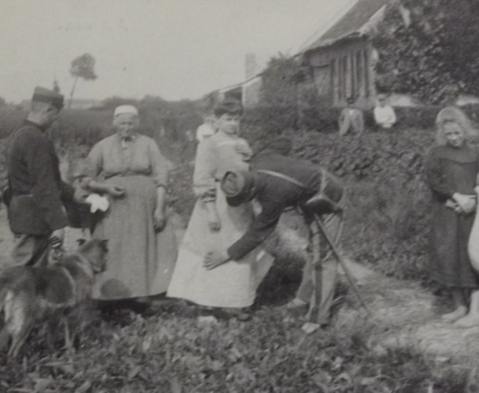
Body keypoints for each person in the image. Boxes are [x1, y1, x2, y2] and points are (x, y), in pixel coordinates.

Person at [204, 138, 344, 334]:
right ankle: (302, 300)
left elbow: (259, 233)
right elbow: (284, 143)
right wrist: (252, 151)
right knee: (313, 251)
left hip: (328, 195)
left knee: (324, 258)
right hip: (309, 194)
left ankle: (318, 317)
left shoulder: (273, 196)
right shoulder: (258, 161)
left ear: (251, 192)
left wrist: (225, 255)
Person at [167, 98, 273, 318]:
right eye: (228, 119)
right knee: (211, 250)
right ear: (216, 120)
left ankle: (234, 302)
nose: (233, 124)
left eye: (236, 119)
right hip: (217, 204)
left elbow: (251, 172)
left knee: (238, 250)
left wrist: (249, 155)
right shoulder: (209, 144)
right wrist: (212, 210)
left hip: (240, 206)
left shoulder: (242, 143)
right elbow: (202, 177)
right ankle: (206, 306)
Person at [77, 104, 177, 303]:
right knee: (115, 248)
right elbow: (85, 178)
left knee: (142, 247)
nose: (126, 127)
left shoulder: (148, 144)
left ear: (137, 123)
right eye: (122, 123)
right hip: (114, 208)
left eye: (131, 123)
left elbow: (161, 175)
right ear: (115, 123)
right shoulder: (102, 146)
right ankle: (113, 296)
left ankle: (143, 294)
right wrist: (104, 188)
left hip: (144, 207)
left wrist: (159, 208)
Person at [424, 106, 479, 328]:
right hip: (447, 213)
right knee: (449, 256)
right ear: (442, 134)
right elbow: (434, 182)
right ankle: (460, 306)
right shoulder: (436, 154)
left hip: (471, 214)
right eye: (449, 134)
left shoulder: (475, 154)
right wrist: (453, 197)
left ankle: (475, 312)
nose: (454, 138)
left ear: (465, 130)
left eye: (457, 133)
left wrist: (473, 199)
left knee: (472, 258)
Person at [4, 86, 82, 267]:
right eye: (55, 114)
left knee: (29, 275)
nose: (55, 120)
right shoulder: (35, 139)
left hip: (23, 216)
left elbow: (43, 179)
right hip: (34, 219)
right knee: (28, 276)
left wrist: (72, 194)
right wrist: (57, 225)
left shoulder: (19, 134)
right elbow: (44, 185)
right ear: (48, 109)